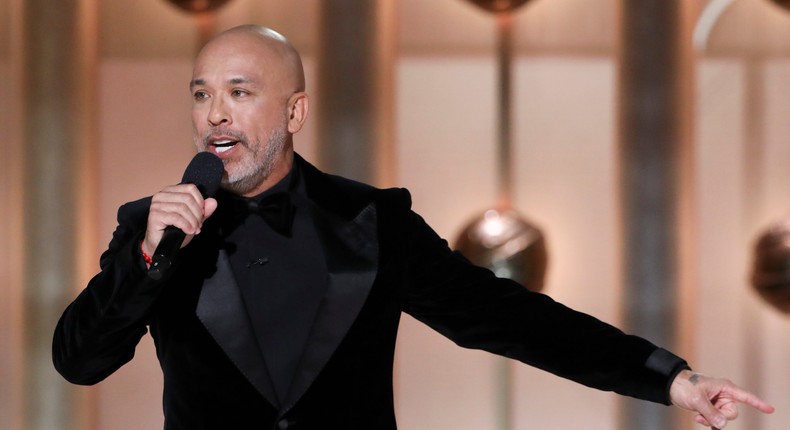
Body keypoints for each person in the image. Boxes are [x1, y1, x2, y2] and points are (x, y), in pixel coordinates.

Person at [52, 24, 774, 429]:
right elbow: (78, 361)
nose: (215, 114)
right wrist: (146, 261)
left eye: (239, 94)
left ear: (294, 113)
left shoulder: (372, 222)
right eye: (202, 94)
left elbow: (507, 317)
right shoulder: (152, 229)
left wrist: (670, 378)